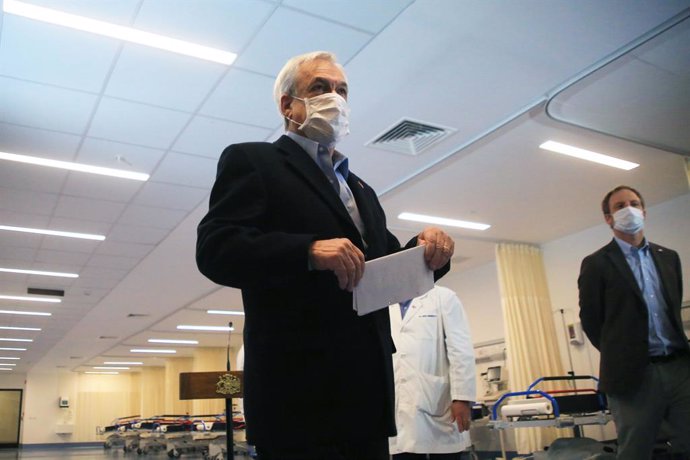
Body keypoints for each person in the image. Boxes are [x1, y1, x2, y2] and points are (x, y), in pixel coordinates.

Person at [196, 51, 455, 460]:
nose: (334, 98)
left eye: (341, 90)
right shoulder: (255, 161)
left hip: (366, 393)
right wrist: (308, 251)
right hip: (298, 395)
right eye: (319, 88)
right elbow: (216, 248)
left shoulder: (361, 189)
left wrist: (428, 250)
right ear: (288, 104)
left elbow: (385, 268)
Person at [578, 185, 690, 459]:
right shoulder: (596, 264)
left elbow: (672, 311)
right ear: (608, 218)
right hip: (632, 376)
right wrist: (621, 353)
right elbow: (591, 322)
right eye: (619, 206)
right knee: (635, 448)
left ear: (644, 211)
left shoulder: (669, 258)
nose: (629, 209)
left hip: (678, 368)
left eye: (634, 203)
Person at [389, 285, 476, 460]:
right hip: (398, 406)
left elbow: (460, 350)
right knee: (403, 450)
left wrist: (462, 398)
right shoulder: (383, 303)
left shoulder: (444, 298)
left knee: (444, 452)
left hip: (439, 403)